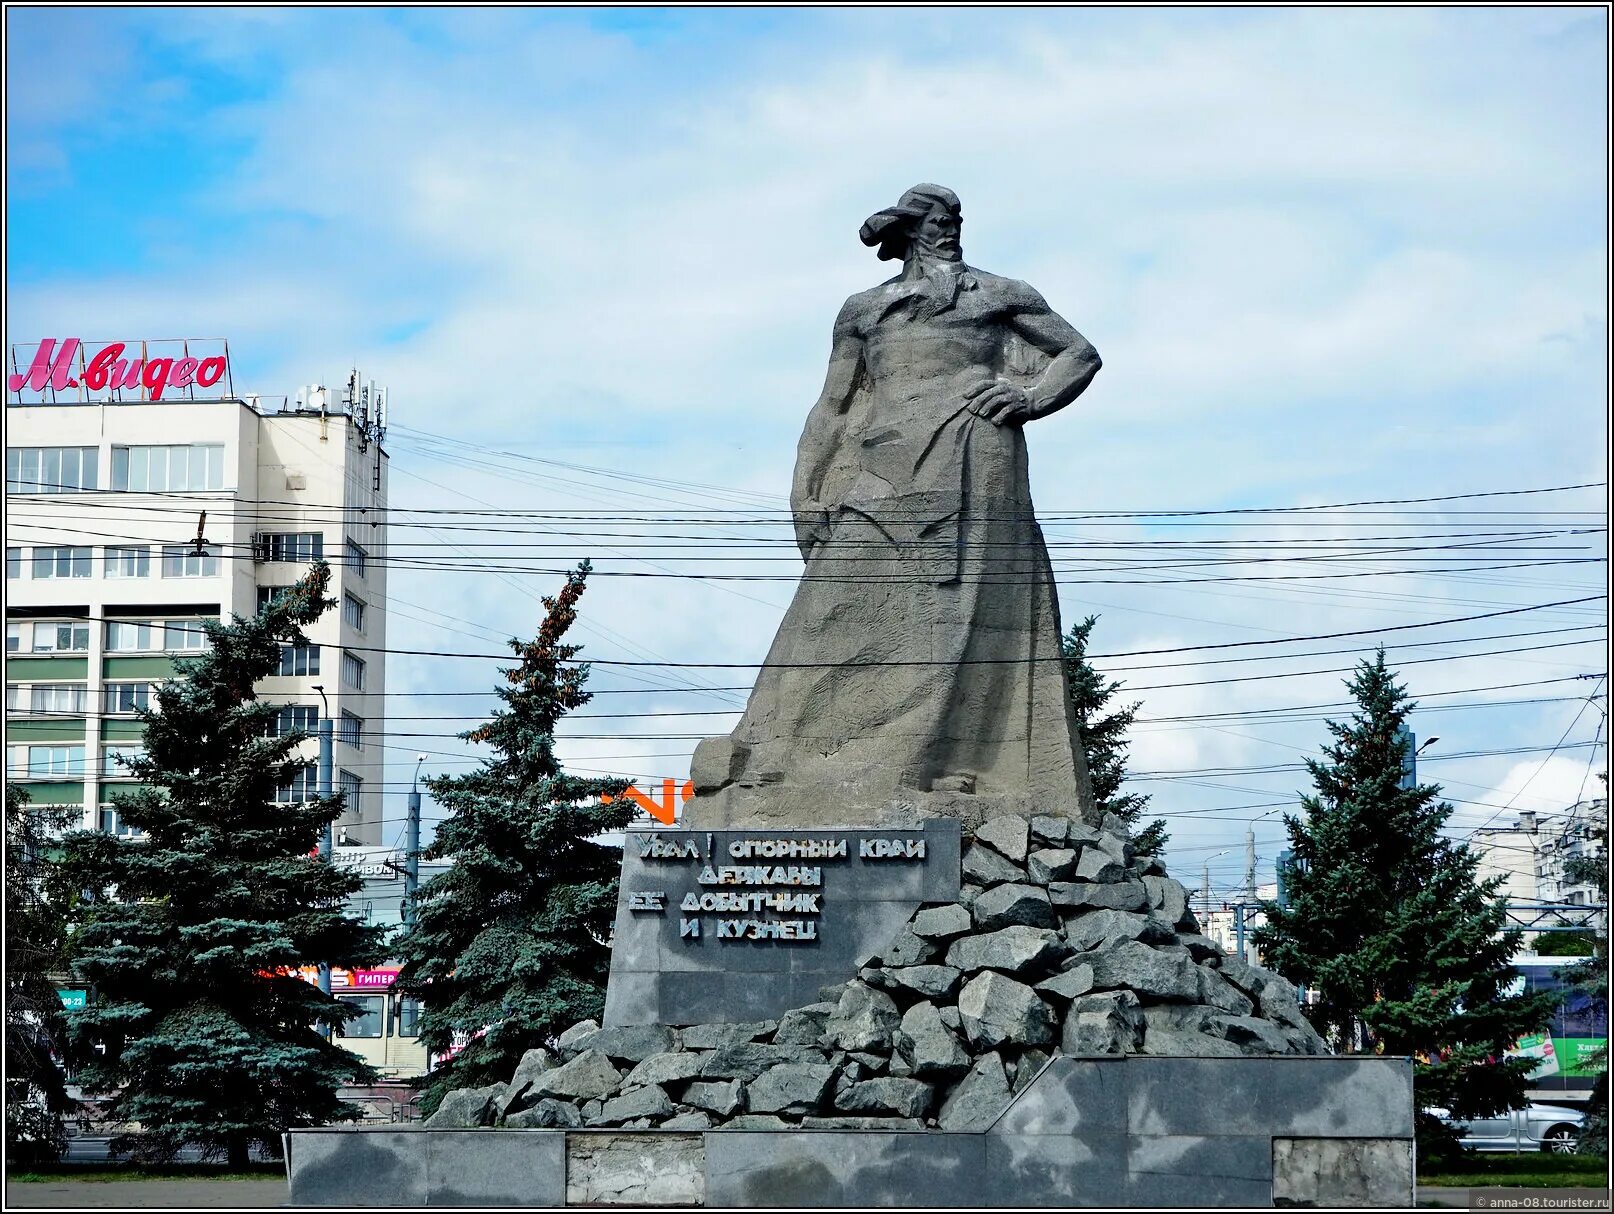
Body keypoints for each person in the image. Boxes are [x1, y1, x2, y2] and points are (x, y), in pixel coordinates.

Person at [687, 184, 1101, 828]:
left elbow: (1079, 353)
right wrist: (807, 490)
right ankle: (782, 756)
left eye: (957, 220)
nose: (951, 230)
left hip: (973, 460)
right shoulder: (864, 310)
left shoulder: (999, 294)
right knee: (831, 609)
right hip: (876, 469)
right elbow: (834, 405)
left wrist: (1031, 399)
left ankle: (932, 766)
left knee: (956, 613)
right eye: (939, 221)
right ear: (908, 231)